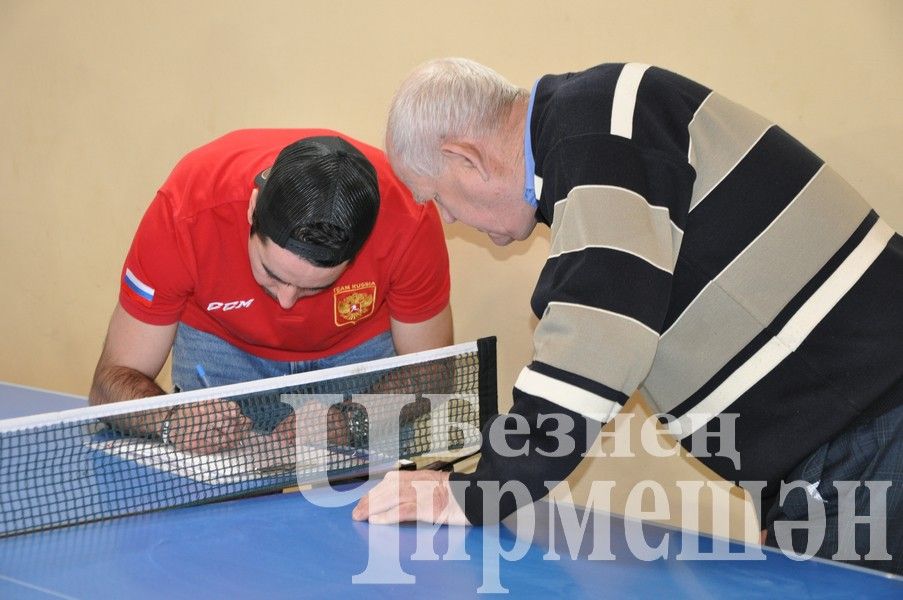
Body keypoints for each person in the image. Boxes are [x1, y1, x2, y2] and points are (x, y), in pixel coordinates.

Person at [353, 59, 903, 574]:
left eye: (440, 201)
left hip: (873, 428)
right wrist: (779, 495)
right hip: (846, 439)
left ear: (465, 159)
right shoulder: (593, 133)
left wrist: (472, 493)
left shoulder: (598, 128)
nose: (448, 220)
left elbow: (595, 341)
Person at [90, 128, 452, 454]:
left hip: (356, 354)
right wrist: (172, 419)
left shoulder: (408, 218)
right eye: (272, 273)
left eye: (314, 287)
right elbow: (110, 383)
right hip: (224, 346)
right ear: (251, 208)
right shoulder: (186, 209)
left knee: (372, 506)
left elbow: (433, 372)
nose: (286, 301)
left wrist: (351, 422)